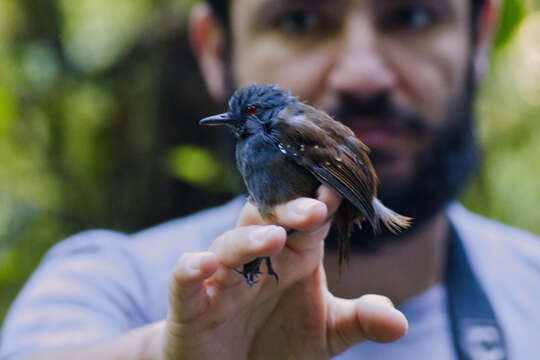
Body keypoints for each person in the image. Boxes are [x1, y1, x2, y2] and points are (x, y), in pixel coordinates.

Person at [1, 0, 539, 359]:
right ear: (214, 48)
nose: (362, 74)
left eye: (414, 16)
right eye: (300, 19)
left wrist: (355, 199)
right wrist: (165, 351)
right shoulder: (100, 283)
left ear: (479, 38)